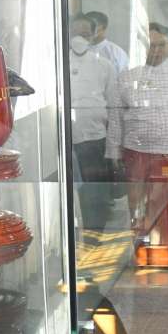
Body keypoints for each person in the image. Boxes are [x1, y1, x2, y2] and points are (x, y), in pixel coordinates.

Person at [107, 22, 168, 267]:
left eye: (161, 45)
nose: (156, 50)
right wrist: (113, 152)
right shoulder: (127, 78)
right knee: (138, 206)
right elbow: (115, 118)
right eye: (152, 45)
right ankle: (141, 252)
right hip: (137, 153)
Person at [68, 15, 119, 231]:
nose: (79, 39)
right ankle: (72, 236)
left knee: (95, 194)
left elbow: (114, 106)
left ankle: (94, 234)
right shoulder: (58, 64)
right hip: (65, 140)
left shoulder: (104, 65)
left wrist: (114, 147)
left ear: (92, 36)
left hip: (94, 139)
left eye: (84, 34)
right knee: (70, 192)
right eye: (75, 33)